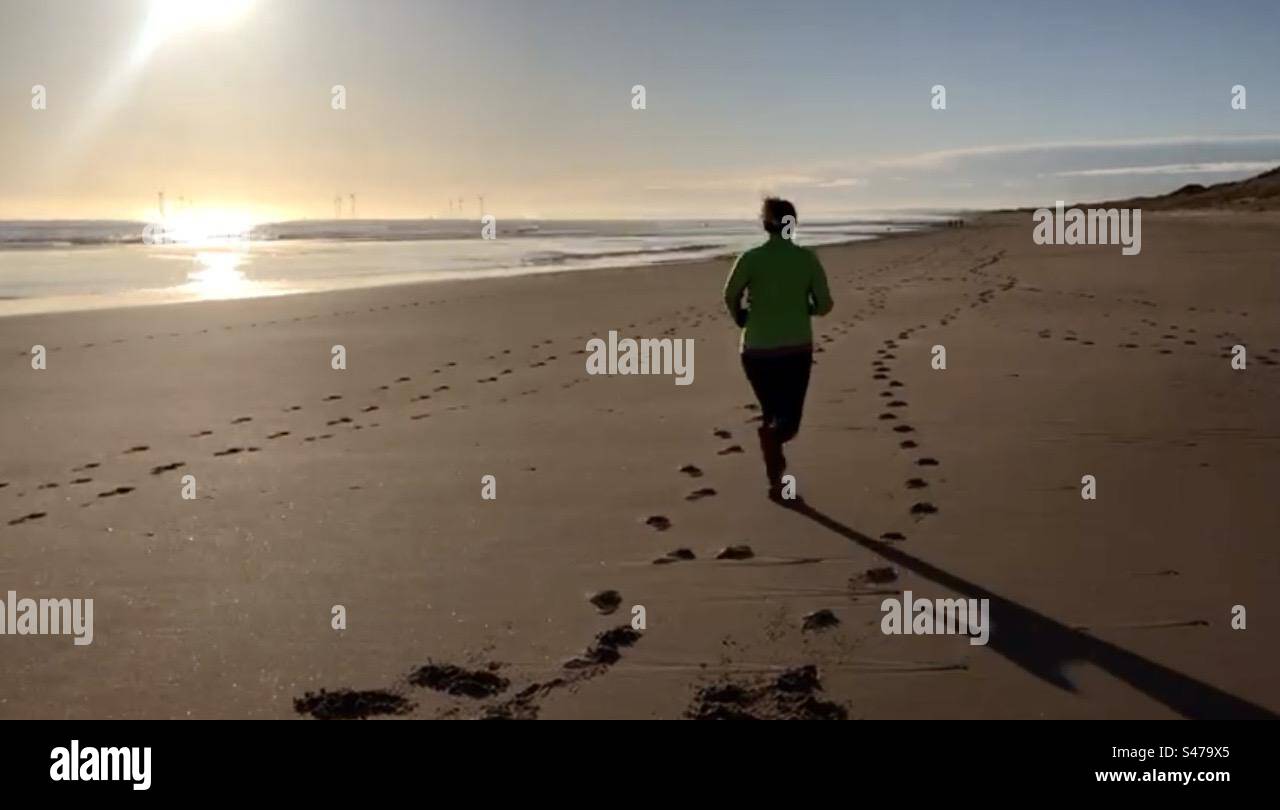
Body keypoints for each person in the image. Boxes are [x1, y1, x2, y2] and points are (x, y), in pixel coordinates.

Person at [723, 198, 833, 500]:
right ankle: (773, 442)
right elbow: (825, 306)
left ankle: (775, 473)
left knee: (771, 410)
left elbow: (730, 294)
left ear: (765, 224)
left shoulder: (751, 258)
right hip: (795, 348)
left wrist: (740, 316)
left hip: (756, 349)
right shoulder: (807, 259)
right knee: (789, 420)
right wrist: (803, 307)